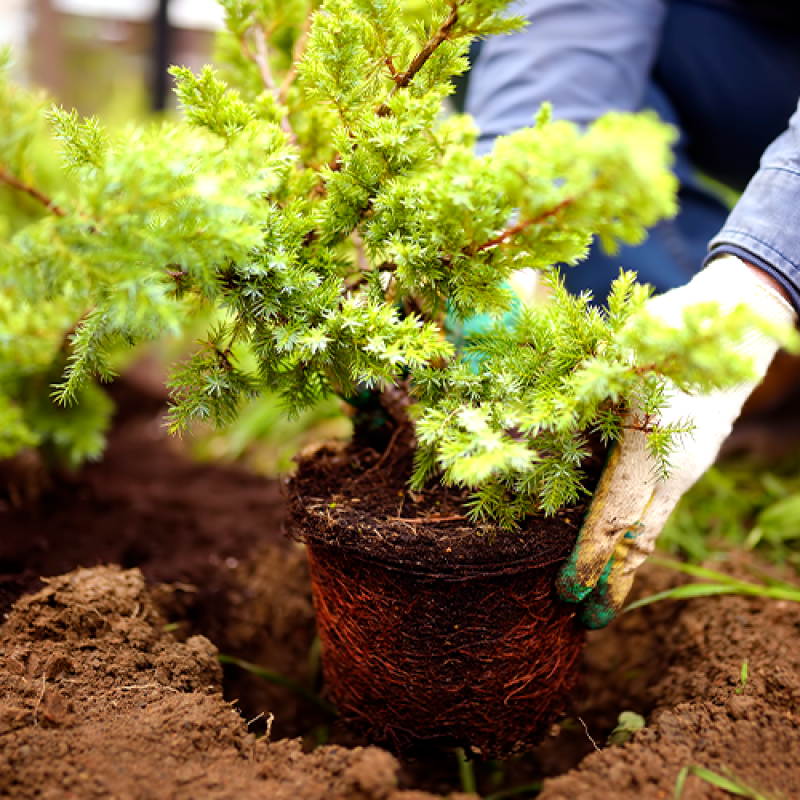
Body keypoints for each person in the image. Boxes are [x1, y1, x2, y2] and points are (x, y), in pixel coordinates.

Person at [464, 0, 800, 627]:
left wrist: (763, 277)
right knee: (493, 34)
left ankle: (754, 343)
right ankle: (704, 358)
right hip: (752, 51)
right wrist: (510, 221)